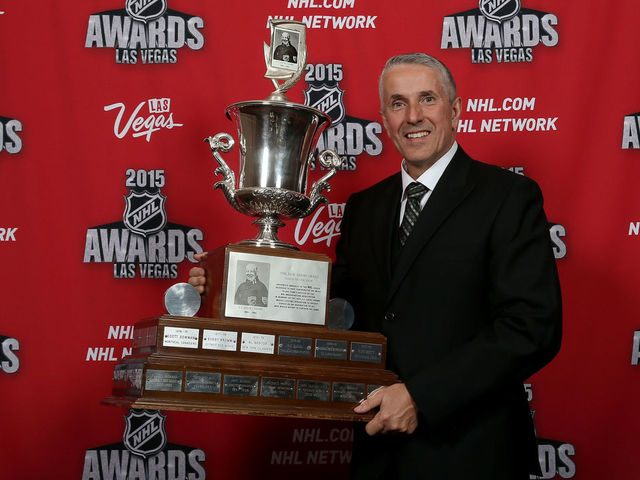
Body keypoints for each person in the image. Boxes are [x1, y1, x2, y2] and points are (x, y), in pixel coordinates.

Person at [189, 53, 562, 479]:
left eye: (428, 99)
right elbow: (337, 311)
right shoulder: (366, 207)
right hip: (378, 450)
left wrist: (420, 395)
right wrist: (235, 281)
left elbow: (532, 327)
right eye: (398, 103)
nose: (414, 116)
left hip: (472, 450)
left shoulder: (508, 197)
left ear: (455, 110)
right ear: (384, 119)